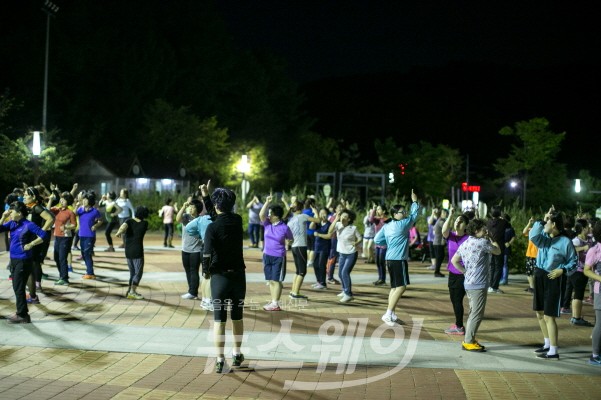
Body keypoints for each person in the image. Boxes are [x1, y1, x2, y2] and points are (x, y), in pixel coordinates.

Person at [201, 184, 247, 373]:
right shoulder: (237, 221)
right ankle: (237, 353)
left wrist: (205, 272)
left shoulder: (212, 228)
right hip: (238, 276)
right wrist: (206, 196)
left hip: (219, 276)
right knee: (237, 316)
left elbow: (206, 254)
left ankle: (220, 359)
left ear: (216, 205)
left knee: (219, 320)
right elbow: (219, 213)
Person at [529, 207, 578, 360]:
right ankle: (547, 344)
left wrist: (562, 270)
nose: (544, 225)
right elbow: (532, 235)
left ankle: (554, 351)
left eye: (548, 222)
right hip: (540, 275)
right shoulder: (543, 237)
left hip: (553, 278)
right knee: (539, 313)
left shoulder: (565, 242)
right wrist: (544, 218)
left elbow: (574, 262)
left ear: (554, 224)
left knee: (549, 316)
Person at [451, 218, 501, 352]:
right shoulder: (483, 242)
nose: (486, 230)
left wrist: (464, 272)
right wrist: (491, 237)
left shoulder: (465, 243)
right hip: (478, 284)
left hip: (468, 283)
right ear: (477, 230)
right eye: (484, 228)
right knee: (476, 314)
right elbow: (497, 251)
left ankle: (470, 339)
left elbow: (454, 260)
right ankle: (468, 341)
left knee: (473, 312)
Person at [374, 190, 420, 325]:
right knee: (401, 287)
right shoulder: (403, 224)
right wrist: (415, 201)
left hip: (389, 259)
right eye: (402, 212)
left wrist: (388, 243)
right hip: (399, 259)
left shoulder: (387, 226)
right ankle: (388, 313)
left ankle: (391, 313)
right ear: (395, 214)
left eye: (405, 211)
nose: (405, 213)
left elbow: (377, 240)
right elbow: (414, 214)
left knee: (394, 287)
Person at [0, 201, 49, 323]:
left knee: (18, 287)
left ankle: (22, 315)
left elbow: (44, 235)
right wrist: (3, 217)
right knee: (18, 287)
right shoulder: (12, 223)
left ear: (20, 213)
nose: (10, 213)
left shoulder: (28, 225)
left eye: (12, 211)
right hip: (14, 260)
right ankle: (22, 314)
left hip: (23, 260)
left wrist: (31, 244)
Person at [259, 195, 293, 311]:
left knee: (276, 280)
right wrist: (267, 202)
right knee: (271, 280)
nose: (269, 215)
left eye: (271, 213)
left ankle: (275, 303)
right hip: (267, 255)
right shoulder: (267, 223)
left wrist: (288, 243)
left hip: (279, 257)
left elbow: (290, 238)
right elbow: (261, 215)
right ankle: (273, 300)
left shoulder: (284, 227)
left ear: (276, 216)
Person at [22, 186, 54, 303]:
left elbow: (50, 218)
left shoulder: (36, 207)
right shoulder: (27, 208)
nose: (24, 197)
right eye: (24, 195)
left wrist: (41, 232)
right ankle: (33, 291)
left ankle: (35, 289)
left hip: (35, 241)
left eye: (26, 195)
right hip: (28, 240)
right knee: (31, 264)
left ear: (34, 197)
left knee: (33, 263)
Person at [442, 206, 470, 335]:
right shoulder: (451, 236)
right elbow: (444, 230)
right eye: (456, 221)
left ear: (466, 225)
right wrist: (450, 216)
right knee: (453, 299)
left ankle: (459, 326)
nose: (458, 222)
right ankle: (458, 324)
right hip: (452, 272)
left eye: (461, 221)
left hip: (463, 273)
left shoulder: (469, 239)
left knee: (458, 300)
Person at [184, 197, 214, 310]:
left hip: (203, 248)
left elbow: (188, 228)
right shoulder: (213, 218)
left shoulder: (201, 219)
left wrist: (200, 235)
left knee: (205, 276)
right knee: (210, 276)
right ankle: (208, 301)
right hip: (212, 250)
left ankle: (205, 301)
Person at [328, 208, 363, 303]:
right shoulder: (338, 225)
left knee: (344, 272)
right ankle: (344, 290)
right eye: (342, 216)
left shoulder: (353, 228)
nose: (343, 218)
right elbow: (330, 231)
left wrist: (356, 242)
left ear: (349, 219)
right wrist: (336, 219)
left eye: (345, 217)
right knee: (340, 273)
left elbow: (360, 238)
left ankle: (348, 294)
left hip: (351, 254)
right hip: (342, 254)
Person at [287, 200, 320, 299]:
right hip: (301, 246)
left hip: (294, 247)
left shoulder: (291, 220)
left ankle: (293, 291)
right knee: (302, 272)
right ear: (301, 208)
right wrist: (315, 212)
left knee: (298, 271)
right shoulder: (303, 216)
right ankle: (295, 293)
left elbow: (288, 236)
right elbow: (318, 221)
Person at [115, 206, 149, 299]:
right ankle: (132, 292)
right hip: (137, 251)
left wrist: (119, 232)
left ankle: (129, 290)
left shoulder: (129, 221)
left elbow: (123, 226)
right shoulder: (145, 223)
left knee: (132, 272)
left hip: (128, 251)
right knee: (138, 273)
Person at [567, 219, 594, 326]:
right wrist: (583, 247)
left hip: (583, 271)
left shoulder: (589, 238)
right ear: (583, 229)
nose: (589, 228)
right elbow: (571, 249)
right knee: (578, 294)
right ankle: (576, 317)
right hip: (577, 271)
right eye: (587, 226)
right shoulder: (576, 240)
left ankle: (575, 317)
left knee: (578, 294)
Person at [48, 192, 77, 285]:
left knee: (62, 258)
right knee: (56, 258)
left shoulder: (70, 212)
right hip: (57, 236)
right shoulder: (57, 210)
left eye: (63, 199)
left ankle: (64, 279)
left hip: (65, 237)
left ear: (67, 201)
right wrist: (51, 199)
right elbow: (47, 210)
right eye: (61, 199)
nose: (61, 200)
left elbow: (74, 225)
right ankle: (62, 276)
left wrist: (66, 227)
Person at [583, 220, 601, 366]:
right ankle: (595, 355)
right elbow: (586, 270)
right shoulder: (595, 250)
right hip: (600, 291)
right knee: (600, 323)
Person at [76, 192, 103, 279]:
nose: (83, 201)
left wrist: (95, 225)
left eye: (85, 199)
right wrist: (77, 206)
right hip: (81, 234)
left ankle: (90, 273)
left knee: (87, 253)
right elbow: (73, 214)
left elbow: (100, 221)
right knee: (83, 254)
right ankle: (89, 271)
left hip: (90, 235)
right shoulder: (80, 209)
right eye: (83, 199)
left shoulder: (95, 211)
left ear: (90, 201)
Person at [487, 205, 510, 293]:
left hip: (490, 246)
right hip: (499, 247)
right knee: (498, 267)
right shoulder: (503, 222)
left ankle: (490, 286)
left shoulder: (488, 222)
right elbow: (509, 225)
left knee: (491, 266)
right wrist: (502, 217)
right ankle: (495, 287)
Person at [311, 207, 333, 289]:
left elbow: (329, 236)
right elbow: (311, 227)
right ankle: (318, 281)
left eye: (324, 213)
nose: (322, 215)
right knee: (315, 264)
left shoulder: (329, 224)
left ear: (327, 215)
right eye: (321, 213)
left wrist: (319, 235)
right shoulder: (318, 223)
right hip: (317, 247)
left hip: (324, 247)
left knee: (321, 265)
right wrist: (316, 218)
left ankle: (323, 283)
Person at [370, 204, 390, 285]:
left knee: (382, 261)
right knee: (378, 261)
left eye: (379, 209)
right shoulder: (377, 220)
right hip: (377, 244)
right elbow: (371, 219)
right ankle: (380, 278)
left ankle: (383, 279)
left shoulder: (388, 220)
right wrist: (373, 209)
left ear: (384, 211)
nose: (378, 211)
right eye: (377, 209)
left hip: (384, 244)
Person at [500, 213, 516, 285]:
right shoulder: (499, 227)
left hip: (506, 248)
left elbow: (513, 237)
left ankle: (504, 279)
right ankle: (499, 278)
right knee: (499, 264)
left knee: (504, 263)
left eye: (502, 218)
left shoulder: (510, 228)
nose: (501, 219)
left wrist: (509, 243)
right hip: (499, 247)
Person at [522, 217, 538, 293]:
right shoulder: (531, 230)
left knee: (535, 272)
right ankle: (532, 287)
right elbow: (524, 232)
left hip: (537, 255)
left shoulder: (542, 232)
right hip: (530, 254)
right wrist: (529, 223)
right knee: (529, 272)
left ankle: (533, 287)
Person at [432, 208, 449, 278]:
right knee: (440, 257)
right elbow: (446, 230)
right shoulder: (441, 221)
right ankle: (437, 272)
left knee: (440, 257)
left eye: (446, 213)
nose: (445, 214)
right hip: (438, 242)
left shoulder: (440, 220)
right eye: (444, 213)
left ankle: (437, 271)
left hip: (437, 242)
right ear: (441, 214)